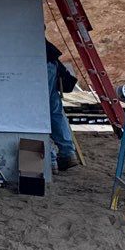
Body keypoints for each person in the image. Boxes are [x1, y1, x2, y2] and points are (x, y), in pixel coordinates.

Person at [46, 39, 79, 170]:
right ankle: (68, 153)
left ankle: (50, 159)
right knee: (54, 111)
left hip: (36, 62)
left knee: (39, 111)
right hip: (49, 63)